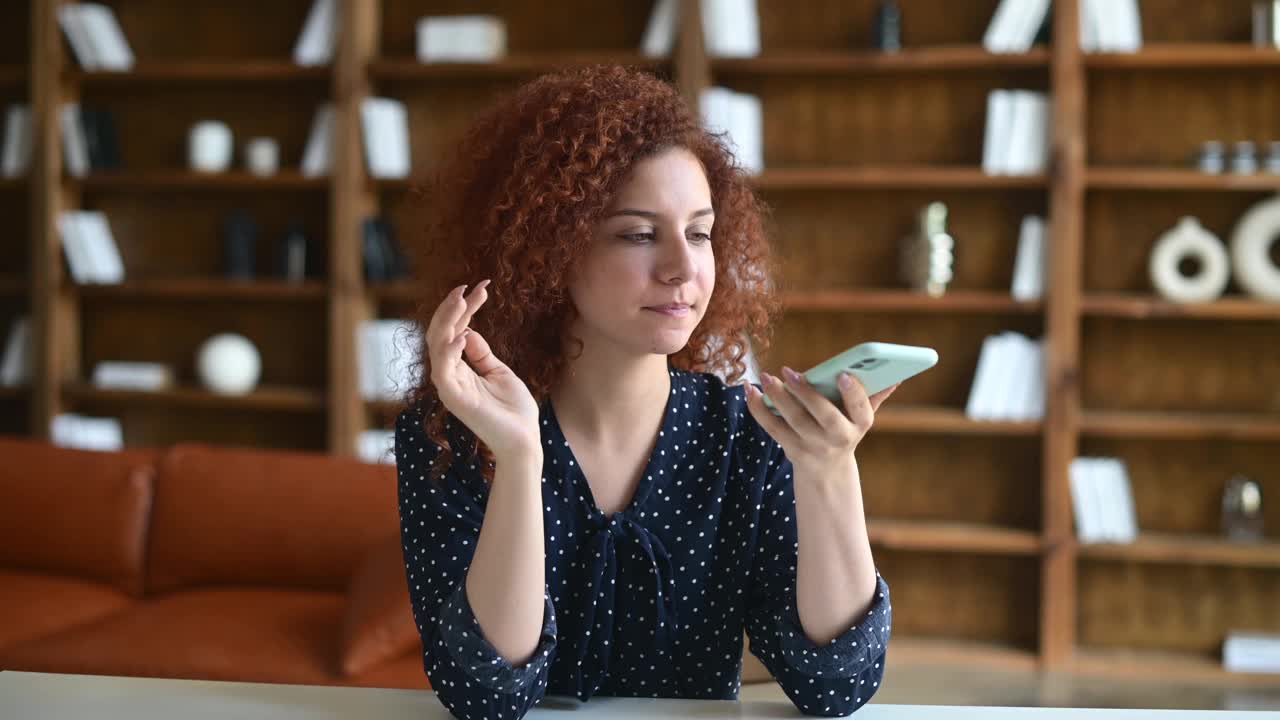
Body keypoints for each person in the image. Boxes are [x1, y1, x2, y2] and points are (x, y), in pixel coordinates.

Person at [394, 64, 895, 719]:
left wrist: (830, 472)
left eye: (699, 232)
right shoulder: (450, 440)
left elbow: (836, 690)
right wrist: (517, 459)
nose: (684, 268)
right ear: (551, 249)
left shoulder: (750, 434)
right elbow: (486, 698)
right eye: (638, 233)